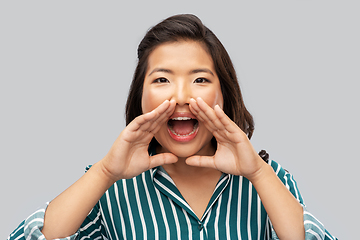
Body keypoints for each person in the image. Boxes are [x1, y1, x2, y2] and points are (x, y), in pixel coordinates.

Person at [8, 14, 337, 240]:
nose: (182, 96)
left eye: (200, 79)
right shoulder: (110, 188)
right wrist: (105, 172)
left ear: (224, 93)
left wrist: (259, 175)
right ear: (141, 97)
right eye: (162, 79)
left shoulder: (270, 180)